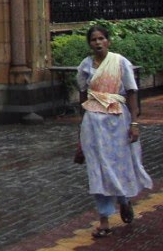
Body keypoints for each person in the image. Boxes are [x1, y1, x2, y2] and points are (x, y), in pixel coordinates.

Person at [76, 24, 152, 239]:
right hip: (93, 123)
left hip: (117, 120)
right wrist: (81, 129)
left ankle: (123, 198)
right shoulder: (85, 66)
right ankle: (104, 219)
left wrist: (134, 123)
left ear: (108, 41)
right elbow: (83, 94)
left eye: (101, 38)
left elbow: (131, 92)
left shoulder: (120, 63)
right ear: (89, 44)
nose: (98, 43)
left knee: (117, 164)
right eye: (93, 40)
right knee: (97, 169)